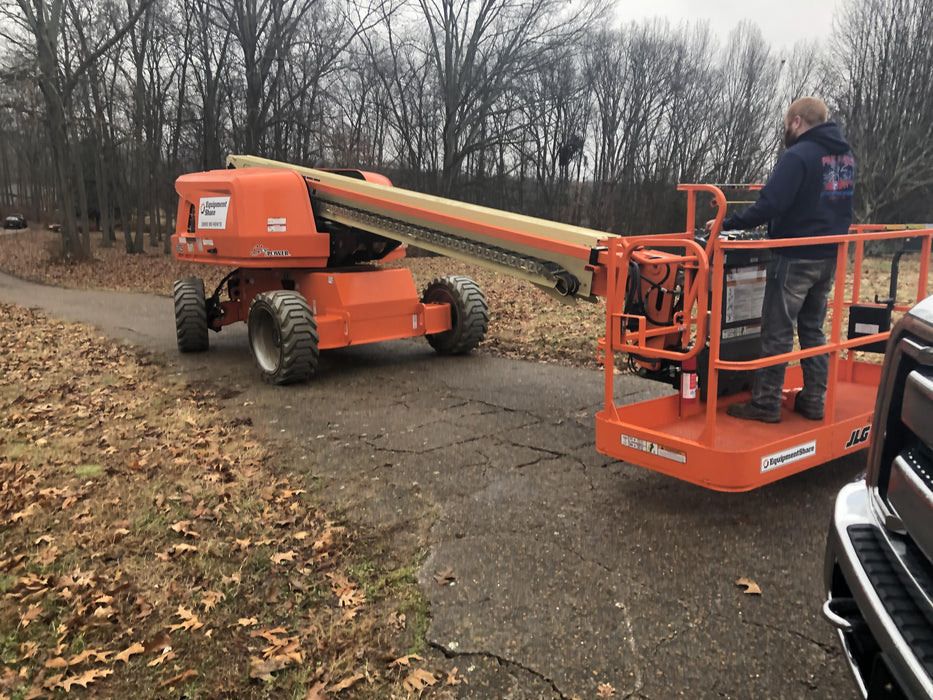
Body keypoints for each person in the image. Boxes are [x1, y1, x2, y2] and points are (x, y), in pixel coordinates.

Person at [705, 97, 856, 423]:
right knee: (814, 331)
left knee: (777, 331)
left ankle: (765, 403)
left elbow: (769, 204)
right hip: (829, 255)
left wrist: (724, 225)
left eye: (788, 124)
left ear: (797, 121)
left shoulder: (798, 155)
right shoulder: (843, 158)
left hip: (794, 256)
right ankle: (815, 401)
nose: (786, 130)